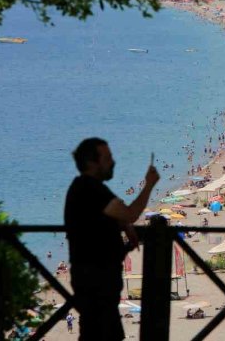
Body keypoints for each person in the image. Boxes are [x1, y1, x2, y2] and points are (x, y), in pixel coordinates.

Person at [64, 138, 159, 341]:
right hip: (95, 281)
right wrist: (149, 185)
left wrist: (125, 226)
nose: (113, 162)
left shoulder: (85, 188)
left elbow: (107, 215)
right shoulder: (91, 189)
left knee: (102, 333)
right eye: (107, 158)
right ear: (92, 162)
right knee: (100, 334)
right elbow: (130, 213)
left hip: (94, 279)